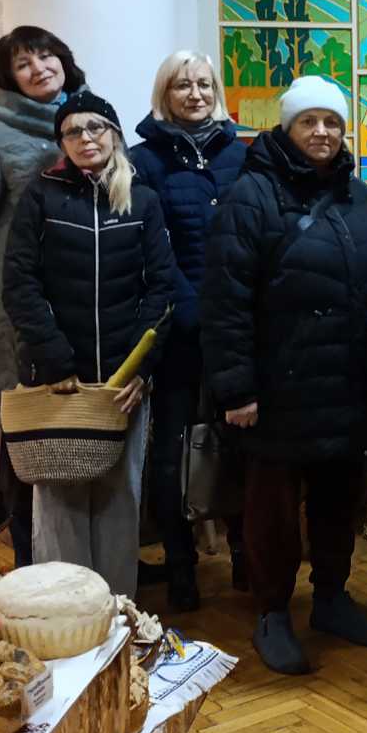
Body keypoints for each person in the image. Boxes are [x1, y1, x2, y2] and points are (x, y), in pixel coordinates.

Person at [201, 77, 367, 675]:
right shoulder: (251, 196)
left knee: (339, 500)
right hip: (278, 387)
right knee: (273, 512)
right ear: (286, 128)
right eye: (309, 121)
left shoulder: (362, 198)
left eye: (332, 122)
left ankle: (331, 598)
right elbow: (226, 299)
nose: (322, 132)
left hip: (345, 383)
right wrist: (237, 387)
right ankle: (273, 613)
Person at [2, 90, 174, 598]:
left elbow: (162, 289)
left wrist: (138, 369)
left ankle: (116, 612)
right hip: (59, 382)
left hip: (121, 385)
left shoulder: (142, 199)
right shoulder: (41, 196)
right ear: (62, 142)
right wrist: (54, 360)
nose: (85, 138)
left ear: (114, 134)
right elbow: (19, 285)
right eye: (73, 131)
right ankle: (65, 612)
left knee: (121, 499)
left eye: (95, 127)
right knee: (60, 504)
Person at [0, 25, 87, 566]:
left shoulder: (89, 118)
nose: (39, 68)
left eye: (46, 56)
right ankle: (30, 562)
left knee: (84, 430)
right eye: (23, 63)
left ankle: (85, 552)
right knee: (26, 442)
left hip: (84, 306)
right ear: (8, 78)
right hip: (14, 317)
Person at [128, 50, 246, 611]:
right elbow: (150, 246)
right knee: (172, 451)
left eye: (203, 84)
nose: (195, 94)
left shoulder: (242, 155)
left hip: (237, 324)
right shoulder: (142, 160)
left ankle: (245, 554)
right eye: (182, 85)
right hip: (177, 327)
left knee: (241, 441)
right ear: (165, 94)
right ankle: (180, 564)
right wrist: (190, 306)